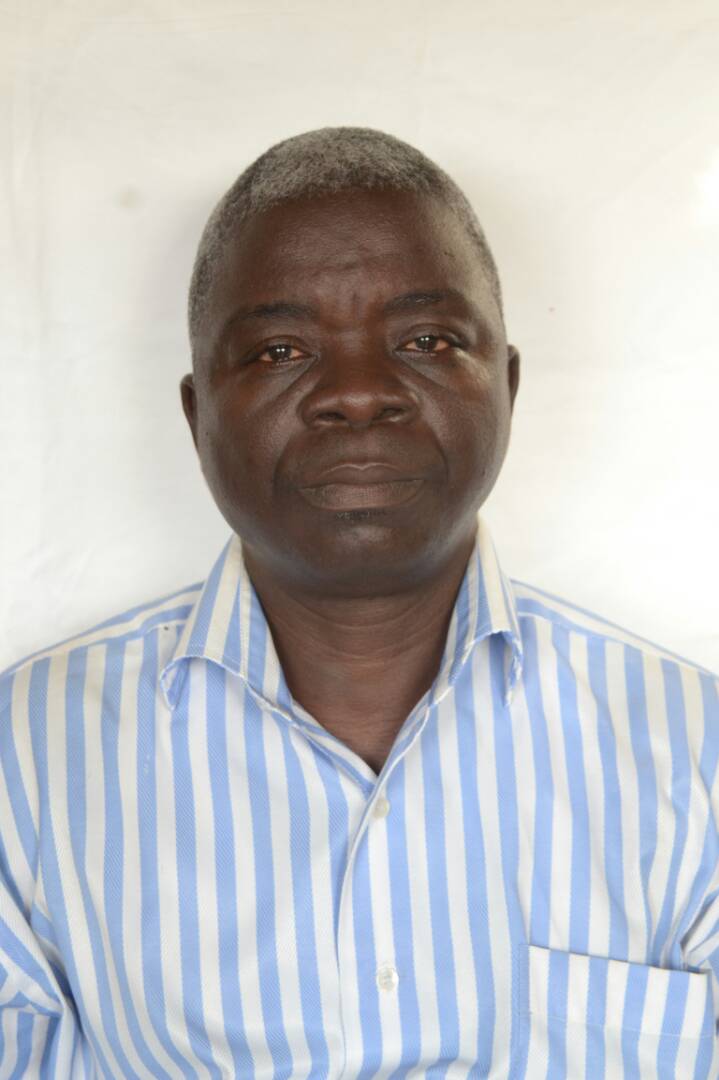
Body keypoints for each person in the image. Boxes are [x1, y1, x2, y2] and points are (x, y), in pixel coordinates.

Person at [0, 126, 717, 1079]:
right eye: (279, 350)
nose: (358, 394)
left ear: (504, 386)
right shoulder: (27, 762)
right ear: (196, 414)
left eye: (425, 341)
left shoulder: (695, 753)